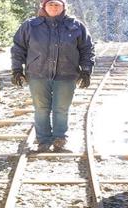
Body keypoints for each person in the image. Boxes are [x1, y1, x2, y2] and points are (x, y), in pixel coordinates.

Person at [10, 0, 94, 153]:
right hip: (37, 74)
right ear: (44, 6)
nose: (54, 8)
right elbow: (18, 48)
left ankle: (60, 139)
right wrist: (16, 70)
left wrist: (86, 70)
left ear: (63, 7)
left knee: (61, 109)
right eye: (50, 4)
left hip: (67, 74)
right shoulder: (30, 26)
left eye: (57, 5)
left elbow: (87, 49)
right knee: (41, 108)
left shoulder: (76, 26)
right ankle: (43, 140)